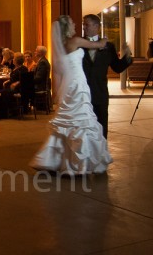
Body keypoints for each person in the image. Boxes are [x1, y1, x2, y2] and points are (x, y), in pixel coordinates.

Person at [30, 15, 113, 174]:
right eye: (73, 22)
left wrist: (57, 92)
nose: (76, 24)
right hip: (78, 84)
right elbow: (99, 44)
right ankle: (78, 162)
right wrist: (105, 39)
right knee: (81, 122)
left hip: (68, 86)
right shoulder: (75, 41)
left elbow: (58, 72)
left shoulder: (61, 45)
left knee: (67, 123)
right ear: (67, 27)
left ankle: (54, 159)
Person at [82, 13, 132, 138]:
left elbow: (117, 68)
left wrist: (127, 57)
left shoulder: (109, 47)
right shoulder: (79, 45)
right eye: (83, 25)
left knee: (101, 127)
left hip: (100, 94)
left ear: (96, 26)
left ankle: (101, 153)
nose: (84, 27)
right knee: (84, 130)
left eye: (86, 25)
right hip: (82, 95)